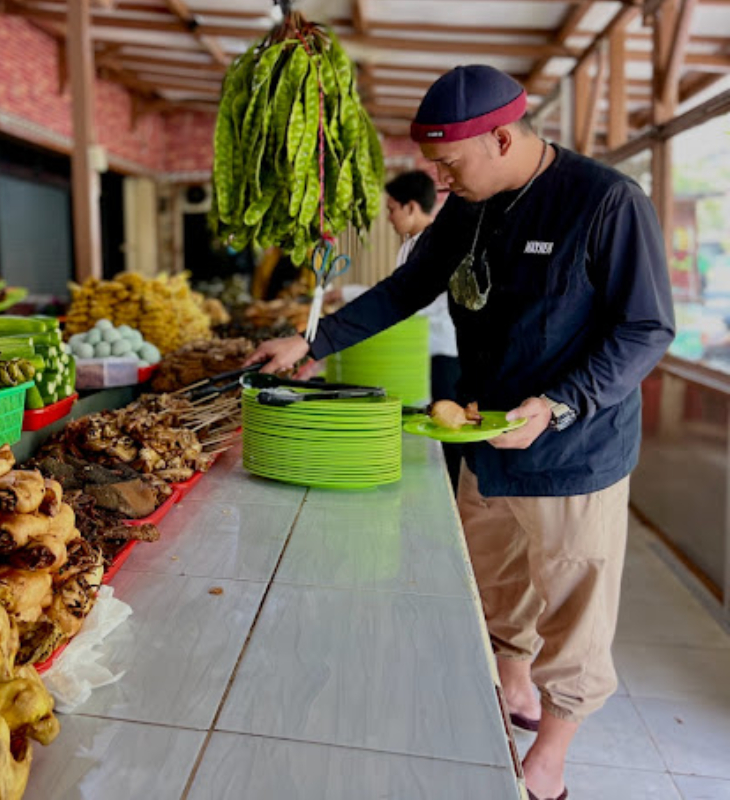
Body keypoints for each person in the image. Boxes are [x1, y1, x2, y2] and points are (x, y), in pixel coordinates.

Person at [246, 65, 675, 800]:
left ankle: (551, 759)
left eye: (447, 163)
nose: (438, 180)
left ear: (501, 138)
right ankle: (513, 688)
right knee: (496, 581)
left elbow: (646, 328)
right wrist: (313, 342)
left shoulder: (606, 201)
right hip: (483, 438)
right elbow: (408, 286)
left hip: (573, 451)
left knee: (573, 605)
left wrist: (559, 403)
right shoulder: (470, 208)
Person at [385, 170, 463, 490]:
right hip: (422, 351)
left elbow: (411, 303)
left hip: (444, 352)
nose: (389, 217)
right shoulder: (410, 246)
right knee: (432, 425)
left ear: (411, 207)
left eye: (392, 209)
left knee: (449, 431)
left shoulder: (439, 245)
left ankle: (452, 498)